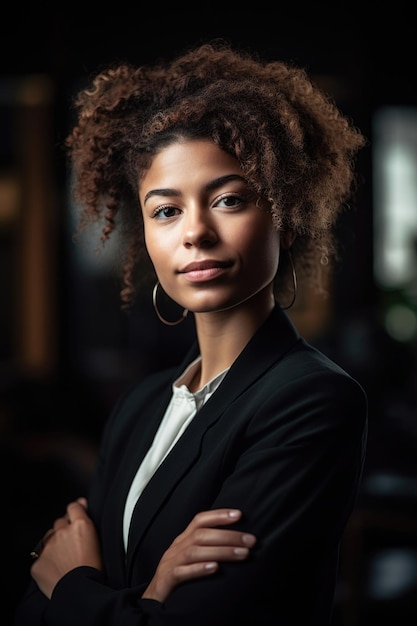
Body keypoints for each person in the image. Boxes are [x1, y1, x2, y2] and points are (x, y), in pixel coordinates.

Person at [15, 39, 368, 626]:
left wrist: (75, 582)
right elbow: (30, 609)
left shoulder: (311, 399)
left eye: (228, 200)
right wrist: (147, 598)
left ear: (286, 211)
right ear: (146, 235)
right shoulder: (141, 405)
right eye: (166, 210)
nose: (195, 233)